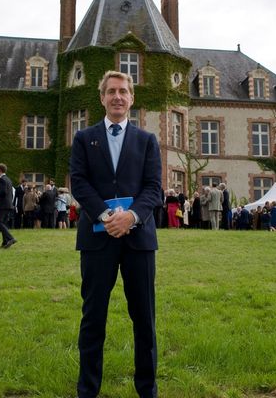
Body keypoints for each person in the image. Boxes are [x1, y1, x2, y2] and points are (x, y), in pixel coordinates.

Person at [70, 70, 162, 398]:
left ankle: (147, 390)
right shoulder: (83, 138)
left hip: (138, 241)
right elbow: (78, 182)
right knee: (93, 317)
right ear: (102, 98)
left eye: (123, 91)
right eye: (111, 91)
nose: (117, 97)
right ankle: (88, 390)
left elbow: (154, 188)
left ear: (132, 98)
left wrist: (132, 217)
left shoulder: (147, 140)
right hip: (98, 238)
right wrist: (109, 217)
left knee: (144, 318)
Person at [0, 163, 16, 248]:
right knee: (2, 223)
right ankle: (5, 242)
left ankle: (11, 238)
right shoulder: (8, 179)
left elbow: (3, 192)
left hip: (3, 205)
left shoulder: (2, 180)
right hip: (8, 204)